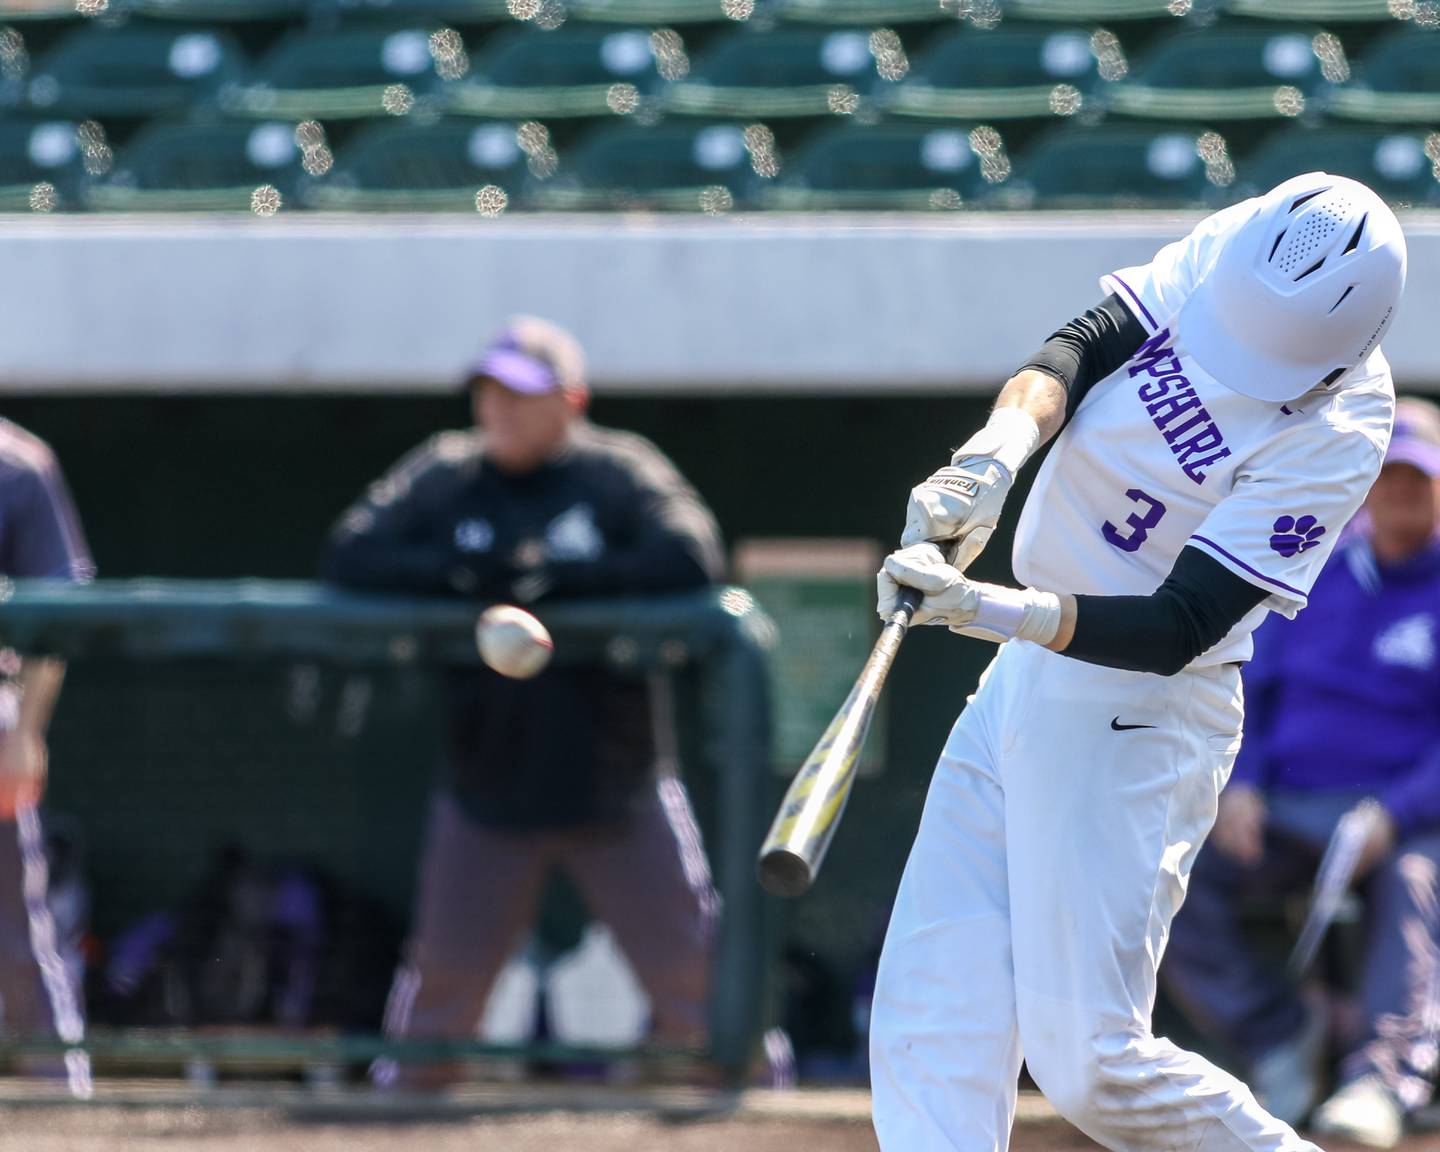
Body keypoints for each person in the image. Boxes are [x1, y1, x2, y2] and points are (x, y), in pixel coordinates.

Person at [868, 171, 1406, 1152]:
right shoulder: (1244, 247)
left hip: (1137, 719)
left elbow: (1180, 624)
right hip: (1025, 677)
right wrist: (994, 451)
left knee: (1092, 1066)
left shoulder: (1341, 432)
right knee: (934, 1000)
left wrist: (986, 607)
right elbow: (1081, 344)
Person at [322, 316, 725, 1086]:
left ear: (571, 401)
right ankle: (397, 1127)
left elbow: (691, 554)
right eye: (489, 392)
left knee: (695, 984)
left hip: (618, 780)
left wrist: (566, 581)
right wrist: (467, 573)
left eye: (521, 394)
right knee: (440, 995)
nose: (498, 410)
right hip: (488, 788)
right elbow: (351, 552)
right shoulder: (447, 474)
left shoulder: (616, 472)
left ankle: (758, 1117)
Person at [1160, 396, 1440, 1148]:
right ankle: (1281, 1037)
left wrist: (1393, 812)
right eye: (1388, 478)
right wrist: (1239, 783)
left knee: (1413, 882)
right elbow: (1251, 685)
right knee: (1169, 870)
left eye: (1419, 480)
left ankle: (1380, 1082)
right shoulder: (1316, 568)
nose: (1400, 495)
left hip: (1407, 815)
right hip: (1288, 805)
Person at [0, 417, 94, 1098]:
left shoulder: (17, 466)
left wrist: (25, 730)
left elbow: (53, 616)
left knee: (13, 934)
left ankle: (60, 1101)